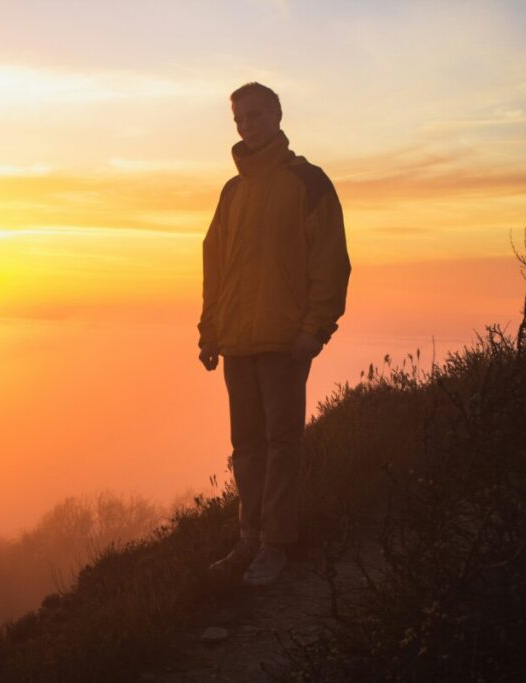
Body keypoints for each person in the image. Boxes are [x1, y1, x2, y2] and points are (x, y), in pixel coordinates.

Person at [198, 82, 351, 587]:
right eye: (239, 119)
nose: (246, 125)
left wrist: (315, 329)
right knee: (246, 445)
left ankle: (276, 546)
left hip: (286, 342)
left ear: (278, 115)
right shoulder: (233, 191)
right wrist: (209, 331)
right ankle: (250, 539)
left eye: (255, 115)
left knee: (282, 443)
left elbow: (331, 262)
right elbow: (214, 264)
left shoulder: (308, 182)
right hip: (238, 341)